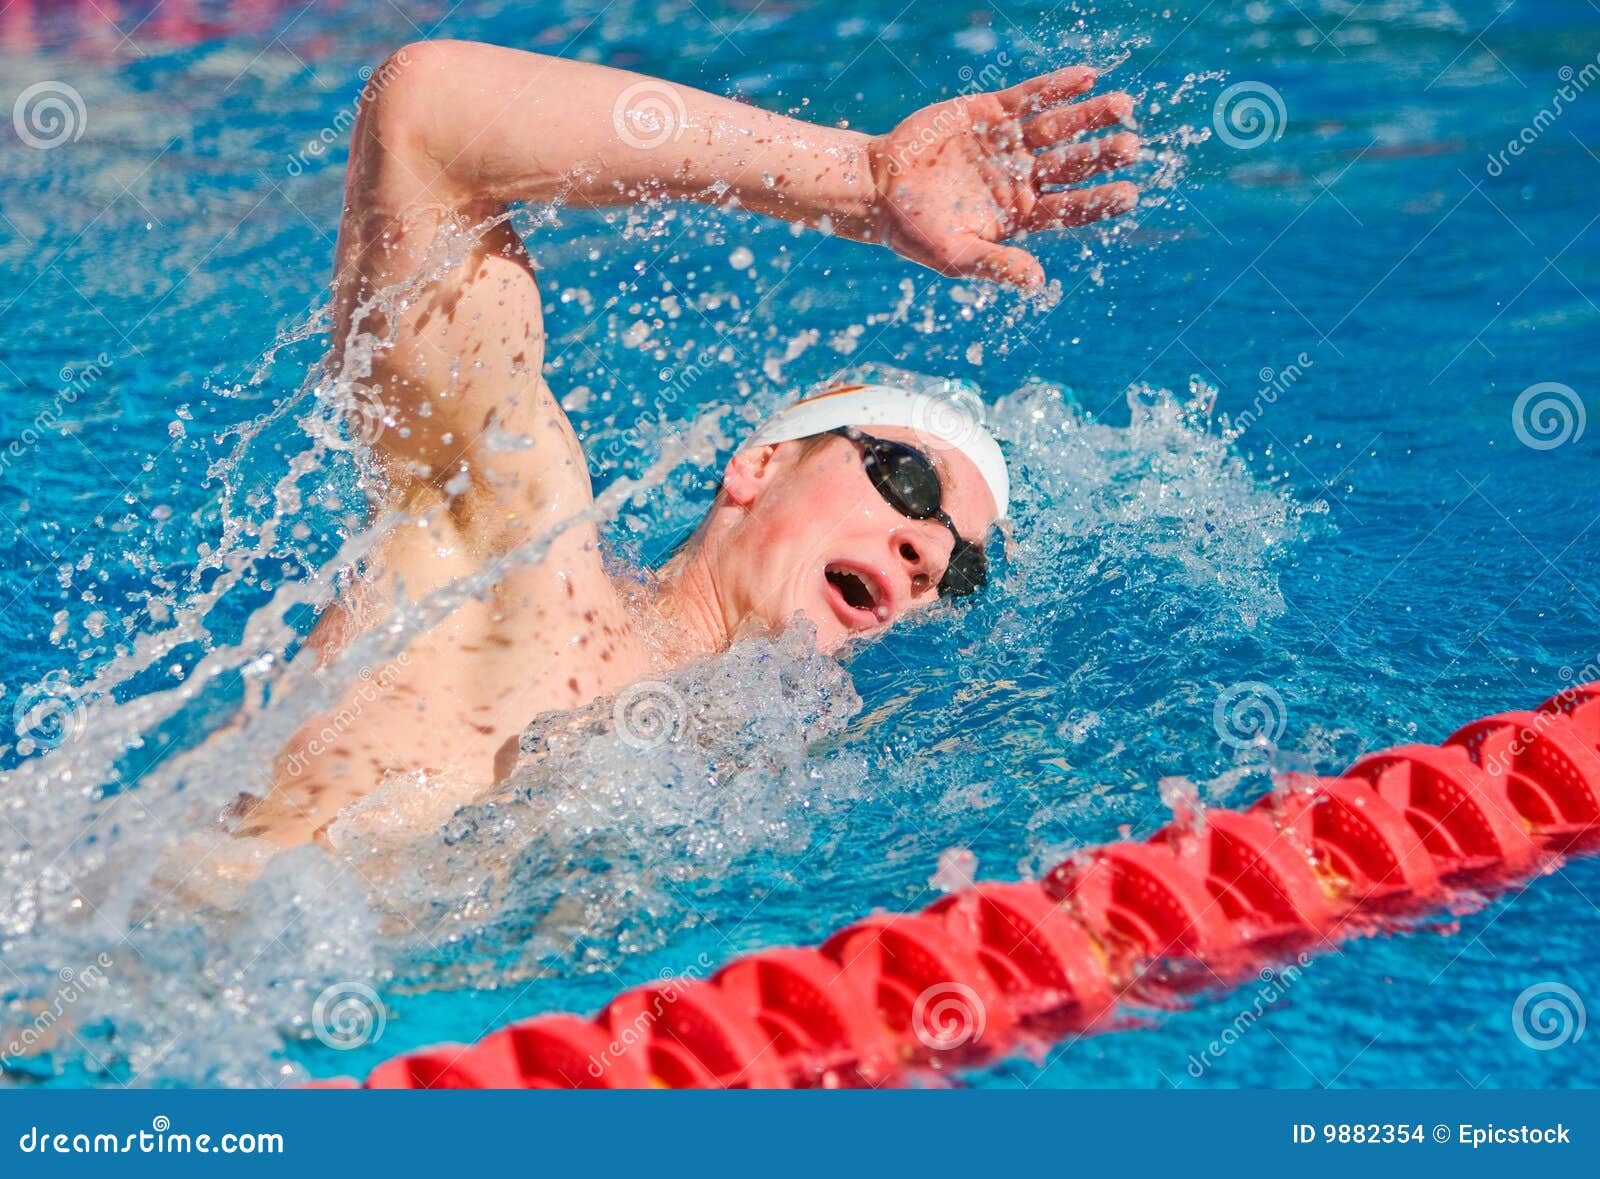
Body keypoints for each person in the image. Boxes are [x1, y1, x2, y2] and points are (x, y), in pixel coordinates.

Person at [238, 38, 1140, 848]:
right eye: (905, 481)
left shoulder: (742, 801)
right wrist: (857, 180)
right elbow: (425, 113)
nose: (931, 551)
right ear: (758, 465)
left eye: (964, 570)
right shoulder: (514, 552)